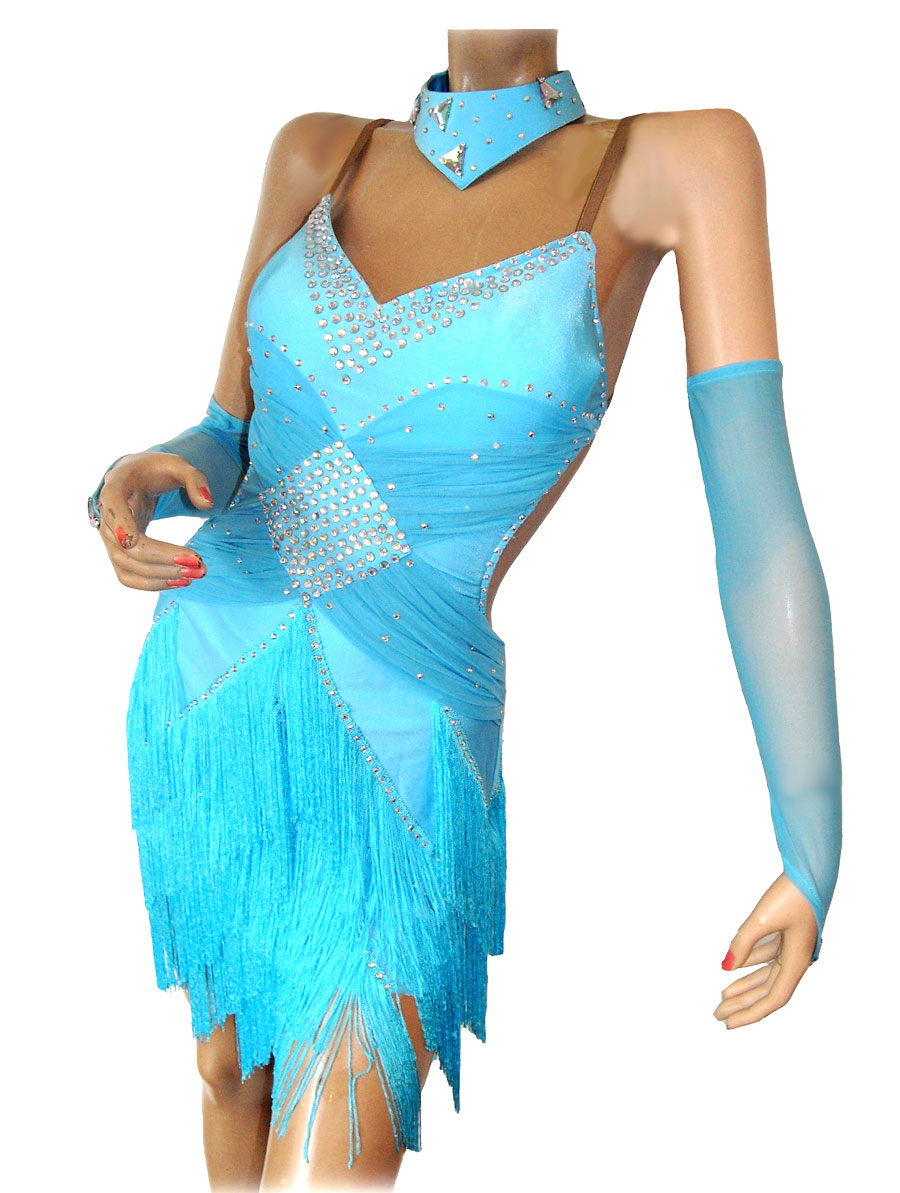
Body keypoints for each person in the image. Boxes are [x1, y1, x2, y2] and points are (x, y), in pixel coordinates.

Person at [87, 27, 842, 1192]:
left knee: (336, 1138)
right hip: (216, 686)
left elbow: (759, 521)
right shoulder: (318, 152)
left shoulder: (678, 161)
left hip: (408, 739)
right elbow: (226, 439)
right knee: (231, 1070)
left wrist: (811, 838)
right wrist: (136, 478)